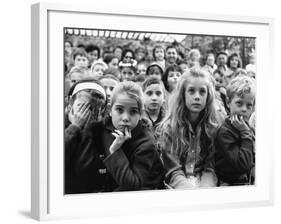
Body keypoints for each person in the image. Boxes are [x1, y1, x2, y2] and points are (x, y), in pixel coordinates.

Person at [156, 68, 222, 189]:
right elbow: (173, 170)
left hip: (205, 183)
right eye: (191, 91)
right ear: (183, 94)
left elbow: (210, 168)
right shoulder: (170, 128)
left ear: (208, 96)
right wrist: (190, 193)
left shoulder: (213, 127)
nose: (197, 97)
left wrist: (205, 190)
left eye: (202, 92)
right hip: (178, 184)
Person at [64, 80, 108, 193]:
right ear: (69, 105)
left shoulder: (103, 132)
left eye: (92, 110)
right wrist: (75, 127)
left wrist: (89, 128)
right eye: (82, 108)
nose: (86, 116)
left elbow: (86, 169)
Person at [215, 75, 255, 186]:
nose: (244, 109)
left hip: (245, 180)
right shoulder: (225, 132)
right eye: (239, 103)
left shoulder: (247, 126)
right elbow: (243, 164)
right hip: (229, 184)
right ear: (228, 103)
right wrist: (245, 133)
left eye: (249, 105)